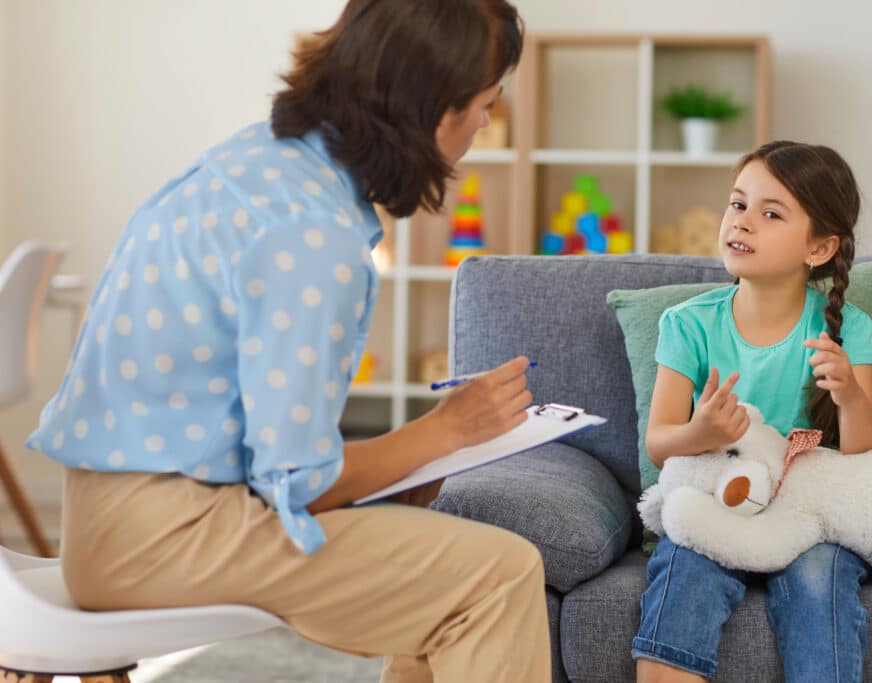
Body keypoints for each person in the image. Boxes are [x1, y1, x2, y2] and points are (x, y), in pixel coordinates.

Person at [26, 2, 552, 681]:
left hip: (114, 522)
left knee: (451, 575)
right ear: (436, 110)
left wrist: (407, 465)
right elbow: (299, 478)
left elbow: (260, 451)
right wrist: (449, 430)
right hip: (161, 538)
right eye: (485, 104)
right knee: (500, 576)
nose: (486, 122)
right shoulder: (314, 235)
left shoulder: (261, 164)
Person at [633, 140, 872, 683]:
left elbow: (867, 456)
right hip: (715, 502)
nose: (742, 222)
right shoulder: (688, 324)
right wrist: (701, 432)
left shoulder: (848, 329)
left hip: (808, 518)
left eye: (770, 213)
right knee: (682, 568)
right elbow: (659, 442)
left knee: (822, 577)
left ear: (818, 248)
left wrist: (850, 396)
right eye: (737, 204)